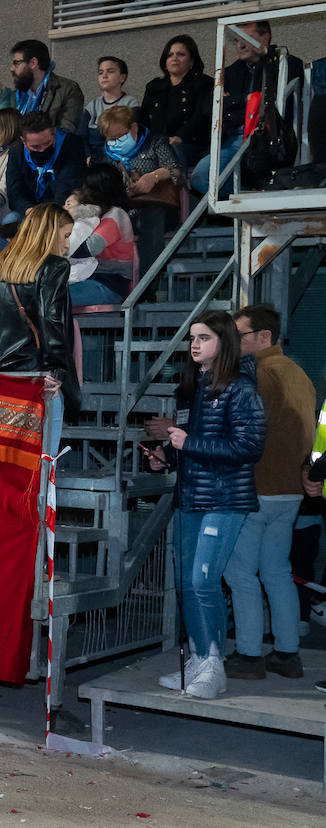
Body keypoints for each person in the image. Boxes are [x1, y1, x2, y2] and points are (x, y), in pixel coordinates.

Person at [145, 310, 265, 699]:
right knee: (185, 583)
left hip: (225, 499)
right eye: (192, 338)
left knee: (203, 581)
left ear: (223, 342)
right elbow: (190, 444)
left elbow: (249, 447)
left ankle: (214, 664)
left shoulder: (241, 388)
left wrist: (188, 443)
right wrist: (167, 454)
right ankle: (200, 658)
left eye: (204, 338)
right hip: (191, 497)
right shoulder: (194, 385)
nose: (194, 344)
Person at [219, 305, 317, 681]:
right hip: (292, 491)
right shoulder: (299, 374)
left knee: (239, 572)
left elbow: (244, 437)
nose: (235, 343)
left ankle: (248, 655)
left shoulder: (257, 374)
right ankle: (287, 654)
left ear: (264, 337)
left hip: (256, 489)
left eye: (240, 336)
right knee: (277, 571)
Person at [0, 203, 79, 414]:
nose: (67, 244)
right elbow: (52, 323)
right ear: (50, 235)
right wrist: (57, 373)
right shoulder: (54, 267)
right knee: (43, 447)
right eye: (65, 236)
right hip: (30, 380)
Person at [191, 21, 303, 196]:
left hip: (266, 139)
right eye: (237, 40)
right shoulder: (229, 72)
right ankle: (255, 198)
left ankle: (255, 199)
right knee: (201, 177)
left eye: (246, 38)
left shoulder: (284, 63)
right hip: (232, 139)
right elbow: (208, 107)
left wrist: (232, 103)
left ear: (265, 37)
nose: (240, 44)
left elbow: (277, 106)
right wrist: (246, 99)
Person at [90, 105, 182, 274]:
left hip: (156, 207)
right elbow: (97, 189)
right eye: (112, 138)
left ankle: (149, 283)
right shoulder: (102, 157)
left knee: (152, 217)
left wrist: (152, 177)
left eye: (121, 135)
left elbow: (175, 170)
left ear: (134, 127)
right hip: (121, 210)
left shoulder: (155, 142)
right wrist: (121, 193)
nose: (116, 141)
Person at [64, 164, 136, 306]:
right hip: (90, 279)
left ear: (99, 190)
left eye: (86, 187)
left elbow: (88, 248)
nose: (82, 192)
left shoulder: (117, 215)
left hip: (108, 286)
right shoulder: (100, 215)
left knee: (52, 298)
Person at [140, 35, 214, 169]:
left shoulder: (203, 84)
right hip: (156, 144)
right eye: (170, 55)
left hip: (188, 144)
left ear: (191, 61)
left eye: (181, 54)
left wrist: (180, 137)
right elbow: (144, 119)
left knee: (171, 150)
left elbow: (200, 117)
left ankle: (178, 189)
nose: (174, 58)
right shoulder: (154, 87)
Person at [5, 111, 86, 219]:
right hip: (30, 209)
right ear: (24, 142)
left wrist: (46, 216)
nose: (43, 149)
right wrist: (29, 210)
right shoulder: (16, 152)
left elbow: (68, 186)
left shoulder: (71, 145)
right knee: (10, 219)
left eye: (47, 143)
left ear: (53, 133)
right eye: (35, 147)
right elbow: (14, 191)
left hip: (60, 207)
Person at [9, 39, 85, 134]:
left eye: (16, 63)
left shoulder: (68, 89)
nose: (12, 68)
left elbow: (66, 132)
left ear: (33, 63)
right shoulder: (16, 95)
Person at [78, 56, 140, 152]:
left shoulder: (131, 104)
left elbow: (135, 137)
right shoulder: (92, 106)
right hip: (93, 159)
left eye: (110, 71)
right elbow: (81, 137)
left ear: (122, 78)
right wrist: (87, 156)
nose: (104, 76)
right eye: (100, 72)